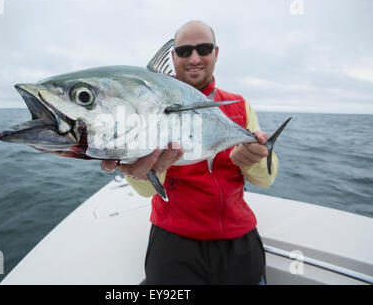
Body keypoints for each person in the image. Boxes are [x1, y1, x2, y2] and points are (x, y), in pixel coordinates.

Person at [101, 20, 278, 285]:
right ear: (172, 57)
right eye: (184, 51)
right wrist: (138, 164)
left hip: (238, 237)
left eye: (204, 49)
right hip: (173, 240)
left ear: (216, 53)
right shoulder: (145, 106)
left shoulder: (239, 105)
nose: (194, 58)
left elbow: (265, 179)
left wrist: (254, 157)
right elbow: (148, 190)